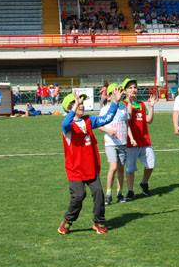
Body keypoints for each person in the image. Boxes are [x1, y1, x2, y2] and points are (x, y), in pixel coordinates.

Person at [57, 91, 119, 235]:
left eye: (82, 102)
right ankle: (67, 221)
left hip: (91, 167)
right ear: (69, 107)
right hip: (75, 169)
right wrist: (74, 108)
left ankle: (98, 222)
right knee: (79, 195)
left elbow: (106, 119)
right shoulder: (68, 126)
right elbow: (65, 123)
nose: (81, 105)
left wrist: (115, 103)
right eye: (77, 102)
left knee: (98, 193)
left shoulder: (89, 120)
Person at [98, 82, 132, 204]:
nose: (119, 94)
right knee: (113, 167)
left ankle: (119, 193)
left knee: (121, 169)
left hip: (122, 143)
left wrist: (130, 137)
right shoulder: (105, 109)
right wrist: (108, 130)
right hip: (110, 143)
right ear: (110, 95)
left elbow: (126, 123)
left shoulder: (123, 107)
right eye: (116, 92)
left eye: (120, 91)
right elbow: (99, 126)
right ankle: (108, 194)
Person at [124, 78, 157, 197]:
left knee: (151, 164)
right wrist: (129, 103)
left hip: (144, 140)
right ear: (125, 91)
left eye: (135, 87)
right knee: (130, 169)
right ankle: (130, 190)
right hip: (130, 142)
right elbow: (127, 118)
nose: (133, 90)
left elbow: (149, 120)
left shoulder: (142, 104)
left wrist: (151, 107)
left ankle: (144, 182)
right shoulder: (123, 105)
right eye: (130, 88)